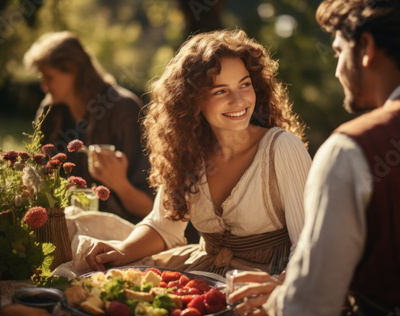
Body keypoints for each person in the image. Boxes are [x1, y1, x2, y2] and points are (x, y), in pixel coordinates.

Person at [229, 0, 400, 316]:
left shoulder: (351, 148)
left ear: (366, 48)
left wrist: (279, 299)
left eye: (337, 51)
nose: (336, 70)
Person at [85, 29, 312, 277]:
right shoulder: (188, 152)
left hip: (274, 277)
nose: (239, 100)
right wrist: (122, 250)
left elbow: (310, 242)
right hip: (205, 272)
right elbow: (163, 226)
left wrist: (281, 289)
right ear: (193, 101)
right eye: (220, 91)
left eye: (244, 85)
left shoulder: (282, 148)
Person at [23, 31, 154, 224]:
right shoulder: (49, 111)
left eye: (49, 77)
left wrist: (120, 185)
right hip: (60, 226)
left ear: (72, 70)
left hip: (119, 232)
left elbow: (151, 206)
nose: (43, 85)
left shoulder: (122, 109)